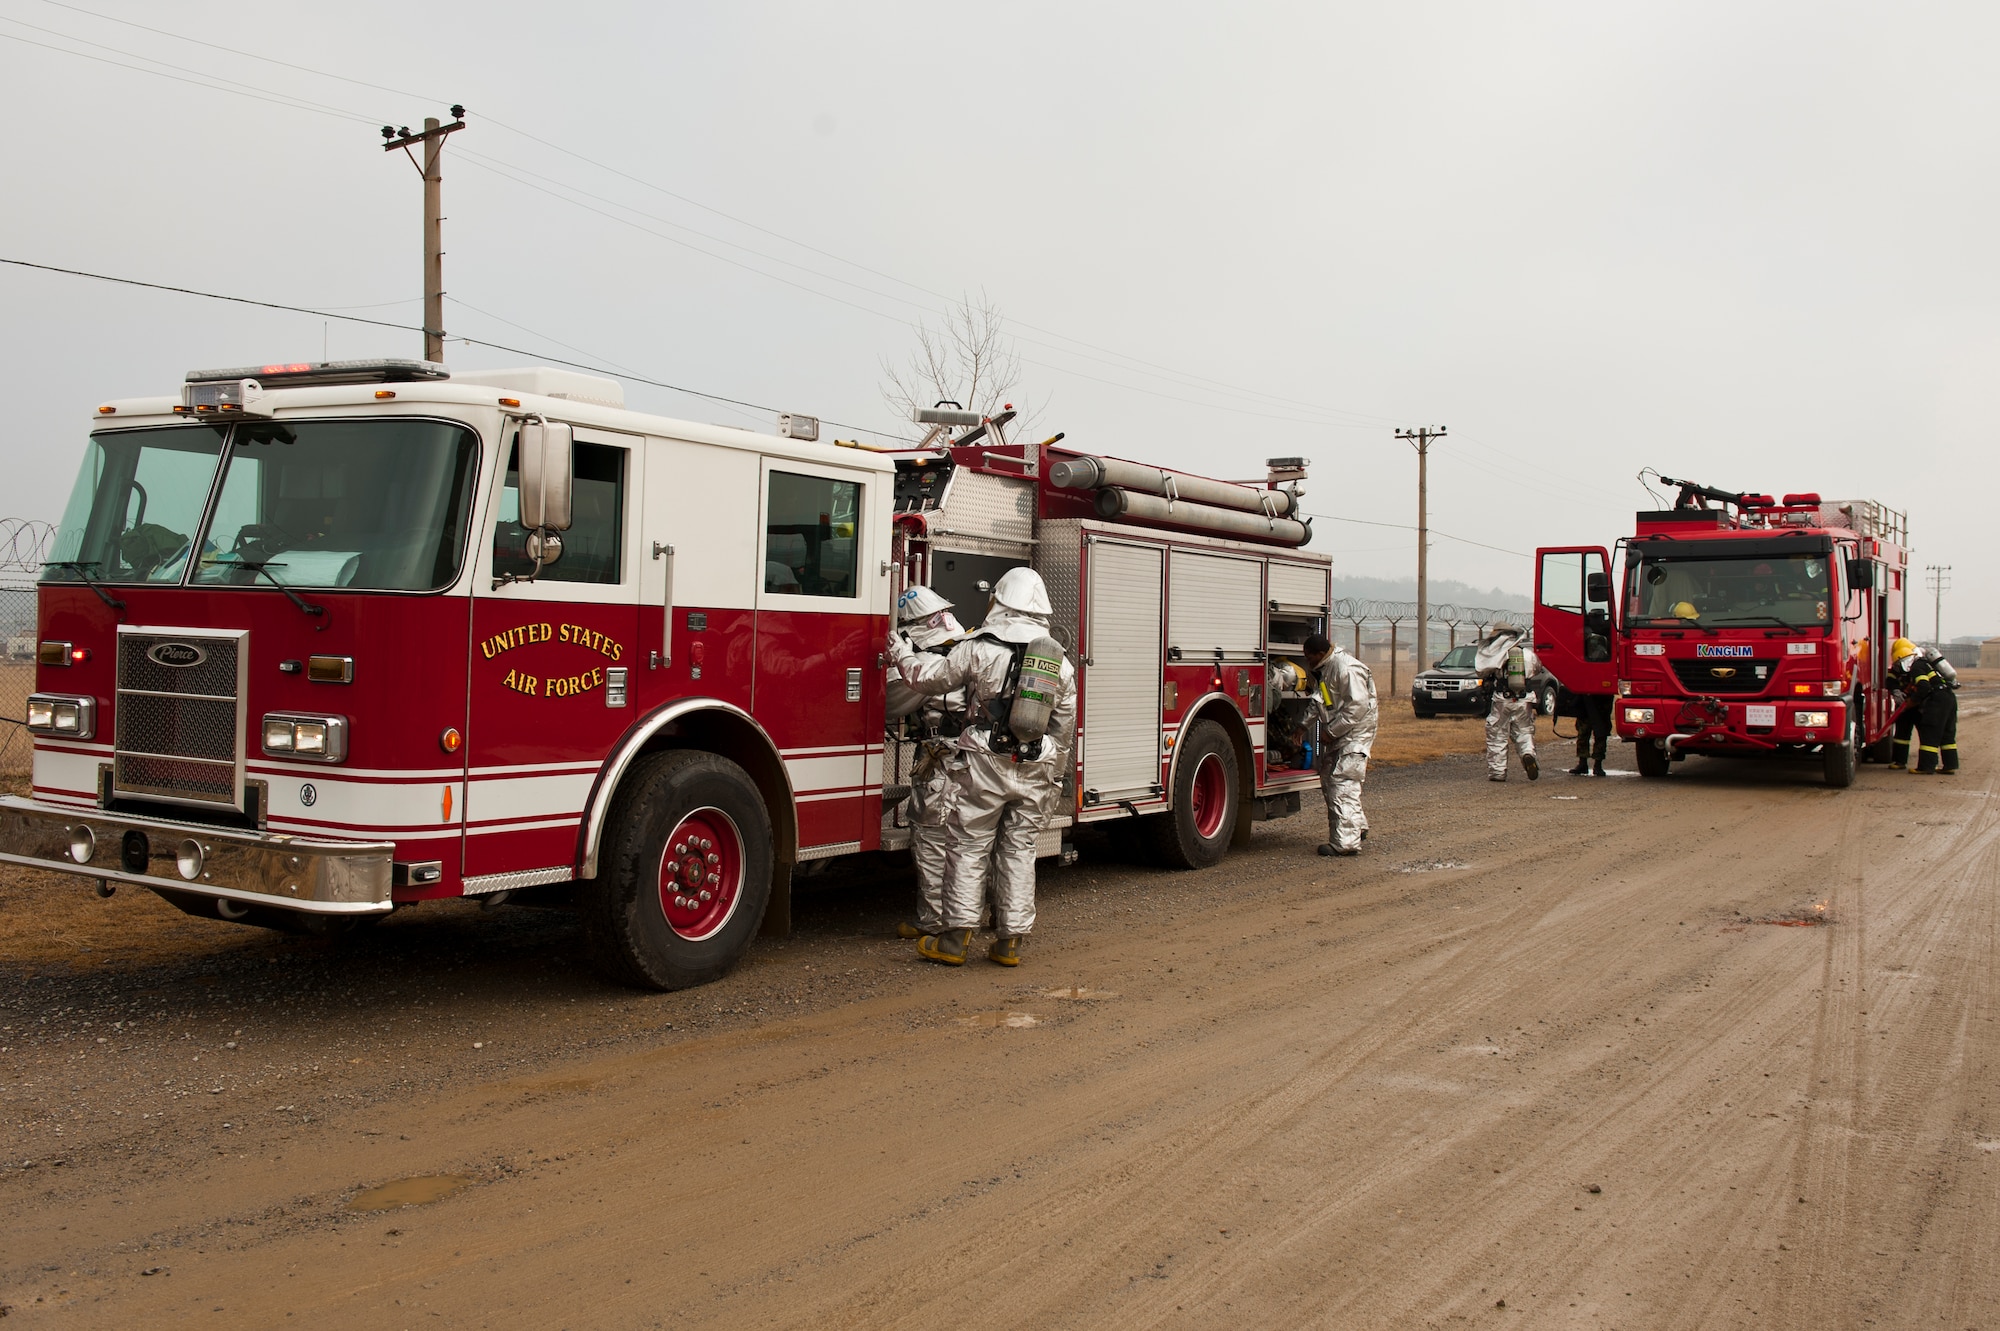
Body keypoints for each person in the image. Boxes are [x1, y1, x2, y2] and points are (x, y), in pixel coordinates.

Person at [887, 567, 1077, 967]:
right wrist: (1053, 778)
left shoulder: (979, 646)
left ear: (1001, 601)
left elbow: (927, 678)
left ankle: (954, 941)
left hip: (984, 760)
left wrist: (900, 650)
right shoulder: (1058, 663)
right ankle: (1010, 943)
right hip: (1036, 764)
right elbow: (1063, 730)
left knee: (968, 845)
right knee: (1019, 850)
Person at [887, 585, 969, 939]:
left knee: (932, 838)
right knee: (974, 841)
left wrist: (899, 658)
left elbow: (892, 705)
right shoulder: (971, 647)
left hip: (940, 760)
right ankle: (983, 915)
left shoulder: (928, 660)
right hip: (977, 759)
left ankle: (934, 923)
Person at [1301, 632, 1376, 856]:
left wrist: (1332, 732)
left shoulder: (1346, 669)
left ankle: (1346, 843)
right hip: (1343, 733)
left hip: (1355, 734)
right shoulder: (1327, 670)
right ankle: (1356, 827)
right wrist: (1302, 726)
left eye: (1310, 657)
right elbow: (1322, 699)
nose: (1308, 662)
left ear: (1321, 654)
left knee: (1342, 782)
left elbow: (1358, 707)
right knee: (1331, 778)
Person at [1477, 624, 1541, 782]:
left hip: (1502, 699)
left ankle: (1498, 772)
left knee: (1497, 735)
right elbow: (1537, 669)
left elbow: (1482, 671)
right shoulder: (1527, 654)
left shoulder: (1496, 655)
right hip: (1524, 699)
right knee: (1524, 732)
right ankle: (1528, 754)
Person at [1887, 638, 1959, 774]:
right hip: (1948, 697)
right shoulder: (1924, 663)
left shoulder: (1917, 667)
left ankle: (1926, 767)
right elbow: (1892, 679)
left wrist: (1911, 702)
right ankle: (1950, 765)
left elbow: (1924, 687)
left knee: (1930, 732)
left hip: (1937, 701)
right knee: (1947, 734)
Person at [1569, 687, 1613, 777]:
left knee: (1600, 734)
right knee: (1583, 733)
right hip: (1586, 701)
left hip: (1602, 700)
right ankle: (1583, 763)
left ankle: (1598, 764)